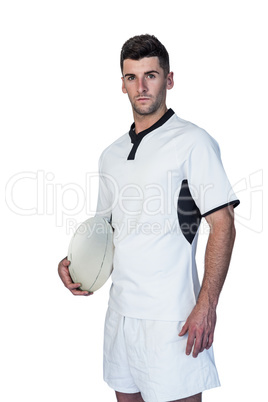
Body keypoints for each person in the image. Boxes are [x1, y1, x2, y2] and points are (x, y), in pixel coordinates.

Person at [58, 34, 240, 402]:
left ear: (169, 80)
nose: (141, 87)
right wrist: (74, 264)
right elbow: (105, 231)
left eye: (151, 75)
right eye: (131, 77)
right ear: (122, 84)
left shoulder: (193, 142)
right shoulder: (110, 154)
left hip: (172, 318)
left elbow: (223, 224)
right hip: (120, 315)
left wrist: (207, 305)